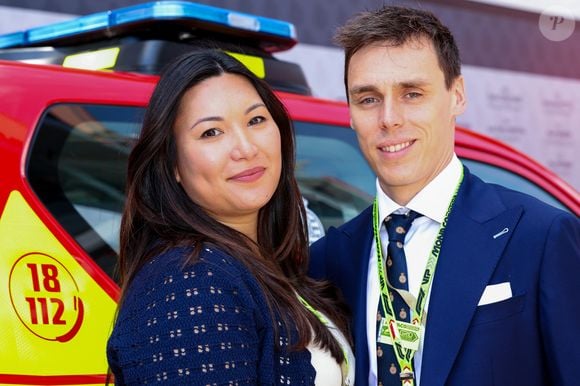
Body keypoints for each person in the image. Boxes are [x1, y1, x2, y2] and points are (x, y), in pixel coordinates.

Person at [309, 6, 580, 386]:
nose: (389, 118)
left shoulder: (543, 236)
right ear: (351, 112)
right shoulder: (327, 260)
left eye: (412, 93)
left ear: (457, 95)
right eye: (368, 98)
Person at [107, 49, 355, 385]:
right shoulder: (190, 281)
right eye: (211, 132)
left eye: (256, 120)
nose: (246, 148)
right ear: (173, 165)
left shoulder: (269, 267)